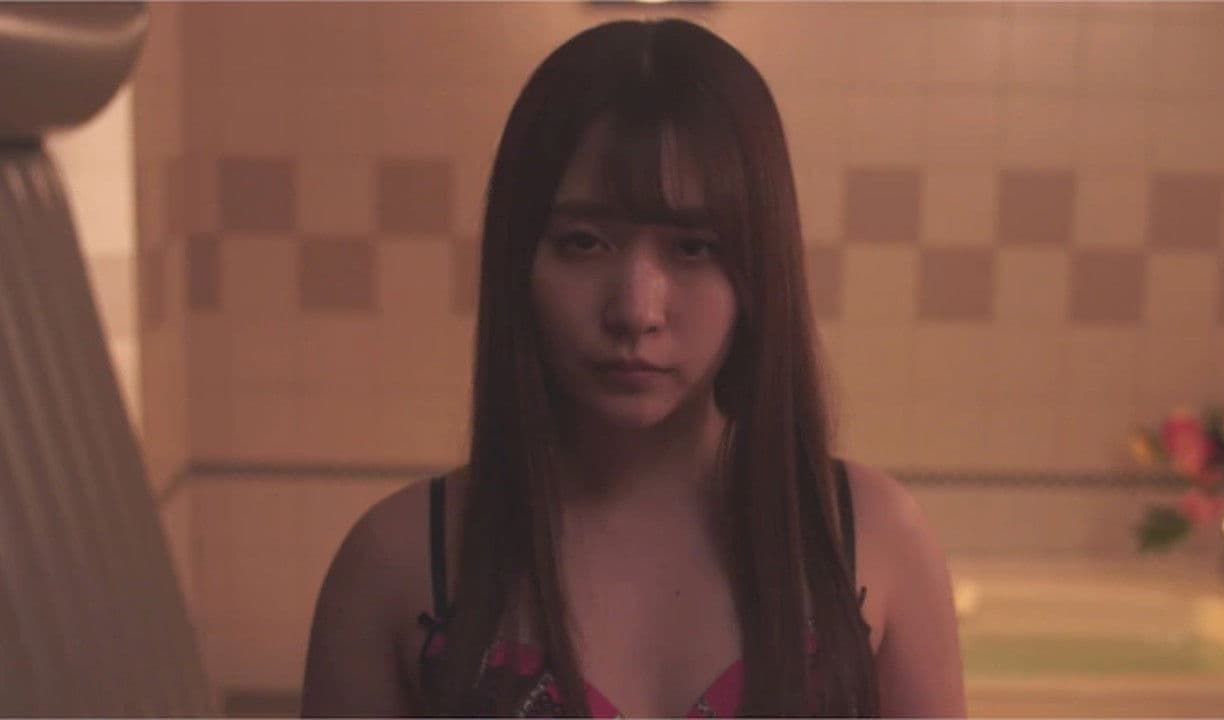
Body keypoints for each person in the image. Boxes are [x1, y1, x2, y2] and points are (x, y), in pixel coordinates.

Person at [300, 18, 965, 718]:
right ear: (519, 260)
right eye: (584, 242)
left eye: (694, 248)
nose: (636, 310)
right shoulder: (398, 562)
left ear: (757, 269)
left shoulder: (871, 540)